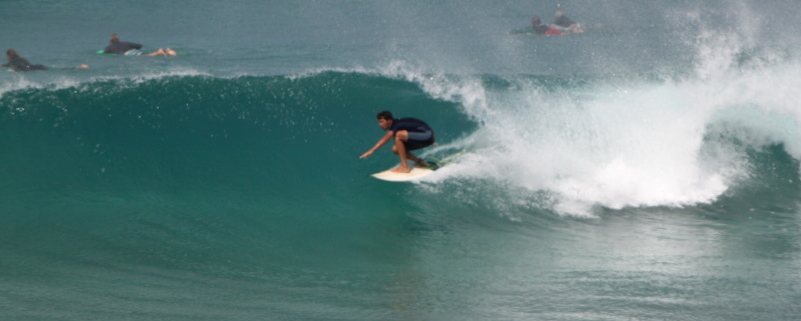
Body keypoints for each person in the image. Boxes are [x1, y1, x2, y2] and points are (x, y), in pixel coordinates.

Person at [360, 111, 435, 173]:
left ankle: (404, 167)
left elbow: (386, 138)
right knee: (396, 149)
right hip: (424, 138)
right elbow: (413, 128)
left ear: (389, 120)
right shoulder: (398, 125)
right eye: (379, 122)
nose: (380, 124)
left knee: (398, 135)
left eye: (382, 122)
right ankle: (421, 162)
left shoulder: (396, 124)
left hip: (426, 135)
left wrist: (371, 151)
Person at [3, 49, 88, 72]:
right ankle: (77, 67)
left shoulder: (12, 62)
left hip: (31, 69)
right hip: (37, 66)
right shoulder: (22, 59)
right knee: (58, 70)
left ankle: (78, 67)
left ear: (8, 56)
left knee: (57, 70)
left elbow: (7, 65)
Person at [103, 34, 176, 56]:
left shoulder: (109, 47)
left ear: (110, 40)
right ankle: (168, 51)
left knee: (147, 55)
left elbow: (105, 53)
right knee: (146, 54)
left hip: (127, 54)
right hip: (133, 51)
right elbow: (139, 46)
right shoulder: (126, 43)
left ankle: (159, 52)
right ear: (119, 39)